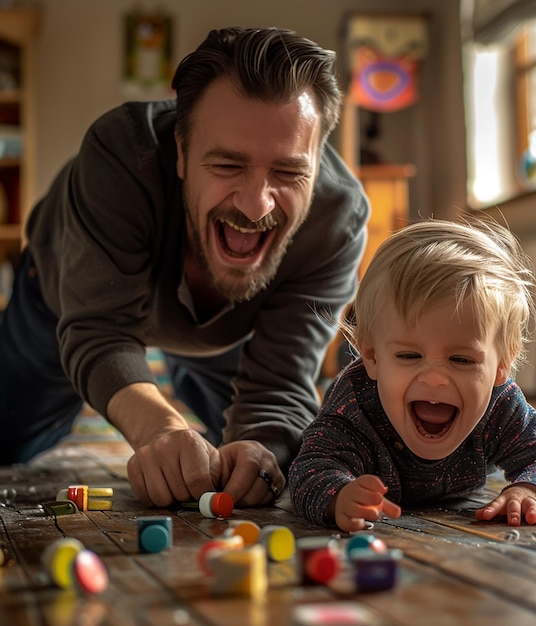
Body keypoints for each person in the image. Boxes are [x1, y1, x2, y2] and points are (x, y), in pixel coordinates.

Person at [0, 27, 370, 509]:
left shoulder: (336, 219)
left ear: (318, 163)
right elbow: (101, 330)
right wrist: (161, 427)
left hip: (225, 331)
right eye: (227, 166)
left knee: (252, 468)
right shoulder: (119, 154)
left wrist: (263, 446)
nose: (257, 206)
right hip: (63, 302)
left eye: (288, 172)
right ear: (180, 151)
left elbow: (279, 386)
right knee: (9, 440)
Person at [289, 218, 536, 532]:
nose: (434, 379)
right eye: (409, 356)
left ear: (502, 365)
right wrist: (339, 496)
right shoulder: (354, 404)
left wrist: (531, 491)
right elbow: (308, 469)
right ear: (372, 357)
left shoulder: (501, 406)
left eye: (461, 359)